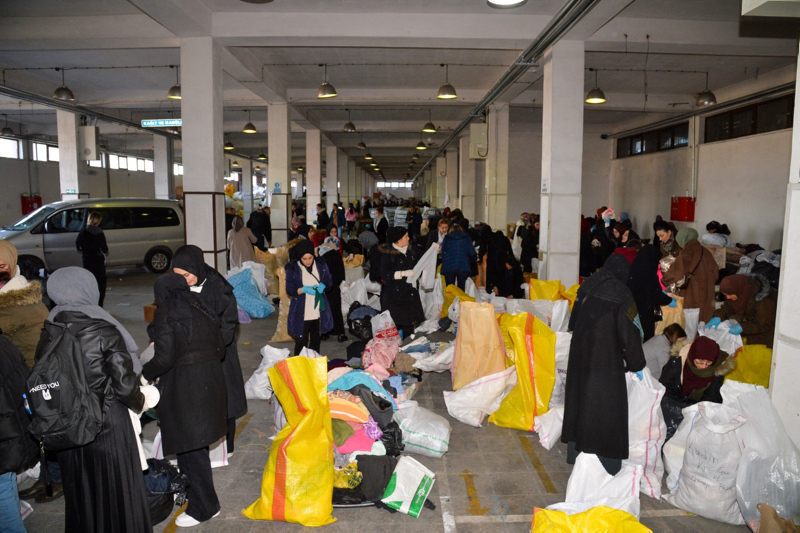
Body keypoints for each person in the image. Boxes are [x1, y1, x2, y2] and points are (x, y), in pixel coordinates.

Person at [41, 267, 150, 532]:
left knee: (83, 493)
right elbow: (125, 386)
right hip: (107, 423)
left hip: (69, 425)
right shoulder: (105, 329)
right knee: (119, 491)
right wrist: (142, 403)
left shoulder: (49, 328)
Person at [143, 274, 227, 528]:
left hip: (184, 389)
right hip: (209, 384)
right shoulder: (202, 306)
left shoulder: (167, 312)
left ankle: (205, 507)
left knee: (190, 452)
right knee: (196, 448)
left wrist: (144, 375)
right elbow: (221, 348)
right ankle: (202, 501)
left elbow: (164, 358)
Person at [561, 255, 646, 476]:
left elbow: (573, 321)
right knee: (605, 411)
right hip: (605, 361)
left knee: (580, 404)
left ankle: (576, 454)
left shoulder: (588, 284)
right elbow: (630, 332)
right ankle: (606, 463)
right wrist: (637, 363)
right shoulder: (621, 293)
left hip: (580, 356)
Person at [171, 246, 248, 454]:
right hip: (190, 354)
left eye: (187, 275)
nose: (183, 281)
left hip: (218, 353)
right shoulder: (178, 286)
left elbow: (229, 324)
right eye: (179, 276)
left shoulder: (219, 288)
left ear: (197, 268)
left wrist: (211, 350)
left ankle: (227, 446)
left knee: (224, 400)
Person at [659, 336, 736, 440]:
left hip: (696, 409)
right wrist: (676, 409)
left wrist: (691, 412)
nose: (703, 366)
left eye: (708, 363)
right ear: (692, 355)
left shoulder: (718, 369)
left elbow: (711, 398)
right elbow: (665, 386)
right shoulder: (677, 361)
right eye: (700, 362)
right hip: (674, 403)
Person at [0, 335, 38, 533]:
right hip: (14, 433)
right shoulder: (5, 343)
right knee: (6, 484)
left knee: (2, 489)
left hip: (7, 436)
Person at [0, 241, 49, 368]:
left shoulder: (11, 303)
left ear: (12, 264)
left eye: (1, 266)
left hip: (27, 372)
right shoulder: (22, 289)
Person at [661, 227, 719, 324]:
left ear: (683, 239)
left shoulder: (687, 252)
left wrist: (664, 281)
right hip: (708, 293)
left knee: (691, 323)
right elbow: (716, 274)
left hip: (693, 293)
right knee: (703, 321)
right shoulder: (706, 252)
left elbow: (676, 271)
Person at [285, 239, 333, 355]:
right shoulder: (293, 268)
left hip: (317, 311)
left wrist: (324, 286)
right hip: (302, 310)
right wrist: (304, 289)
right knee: (301, 341)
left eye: (310, 258)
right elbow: (290, 290)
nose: (308, 261)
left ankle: (314, 365)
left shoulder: (321, 265)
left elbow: (329, 282)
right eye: (304, 259)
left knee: (316, 341)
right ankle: (299, 367)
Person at [709, 273, 778, 348]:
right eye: (725, 295)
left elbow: (764, 324)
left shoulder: (763, 301)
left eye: (729, 294)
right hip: (750, 333)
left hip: (765, 338)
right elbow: (729, 306)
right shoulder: (741, 292)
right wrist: (718, 316)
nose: (727, 297)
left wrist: (742, 328)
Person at [379, 227, 425, 337]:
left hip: (410, 295)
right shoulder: (388, 255)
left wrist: (434, 251)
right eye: (406, 236)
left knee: (409, 325)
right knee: (394, 326)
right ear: (398, 240)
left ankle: (406, 349)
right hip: (394, 297)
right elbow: (383, 273)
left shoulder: (411, 251)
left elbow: (425, 256)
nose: (409, 238)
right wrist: (402, 273)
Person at [627, 244, 673, 342]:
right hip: (644, 313)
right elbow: (653, 294)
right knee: (646, 340)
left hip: (633, 313)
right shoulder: (648, 274)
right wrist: (669, 299)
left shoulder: (633, 269)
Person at [75, 211, 109, 306]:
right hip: (97, 261)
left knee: (90, 283)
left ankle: (90, 304)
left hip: (87, 261)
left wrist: (86, 251)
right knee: (100, 284)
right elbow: (104, 249)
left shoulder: (83, 231)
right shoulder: (99, 232)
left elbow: (78, 246)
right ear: (98, 221)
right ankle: (99, 305)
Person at [318, 243, 348, 343]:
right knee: (336, 309)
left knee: (324, 309)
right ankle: (340, 333)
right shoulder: (336, 255)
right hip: (334, 286)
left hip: (322, 286)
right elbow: (341, 273)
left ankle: (324, 333)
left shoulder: (320, 256)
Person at [485, 231, 524, 299]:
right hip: (503, 261)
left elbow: (518, 287)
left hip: (495, 262)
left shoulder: (492, 241)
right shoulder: (505, 240)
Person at [440, 224, 477, 290]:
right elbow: (471, 253)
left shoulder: (447, 238)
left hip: (449, 266)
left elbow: (443, 253)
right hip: (463, 265)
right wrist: (472, 260)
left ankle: (451, 300)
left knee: (450, 290)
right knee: (461, 290)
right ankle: (460, 300)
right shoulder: (467, 237)